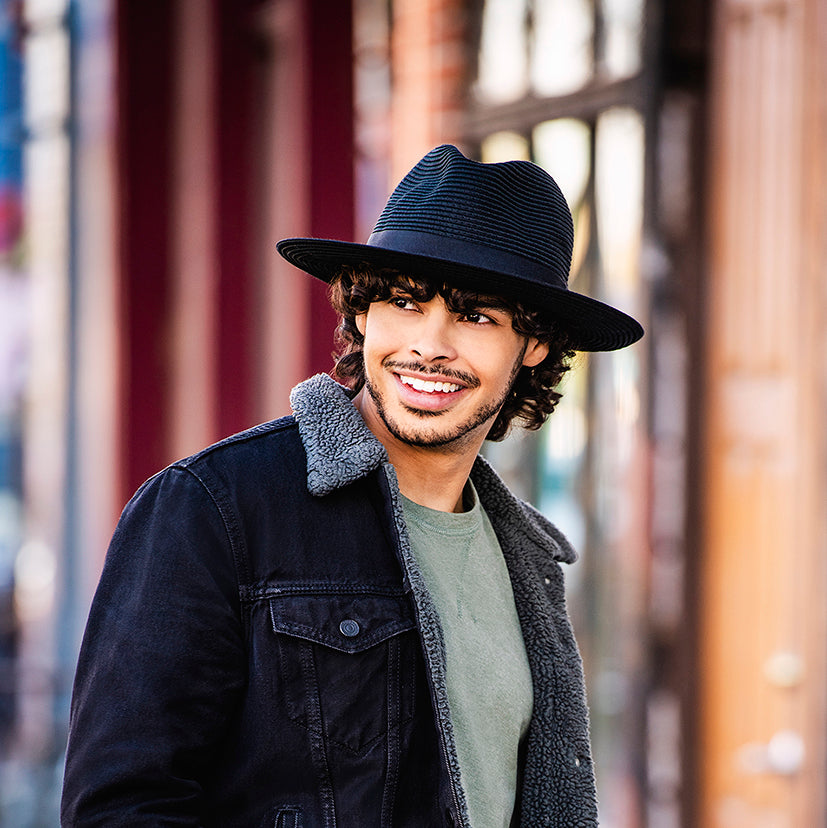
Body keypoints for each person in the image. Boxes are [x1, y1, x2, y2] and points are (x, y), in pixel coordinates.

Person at [61, 144, 643, 827]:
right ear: (362, 313)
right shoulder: (213, 507)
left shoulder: (526, 560)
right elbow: (121, 807)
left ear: (536, 346)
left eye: (477, 316)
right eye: (404, 302)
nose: (430, 346)